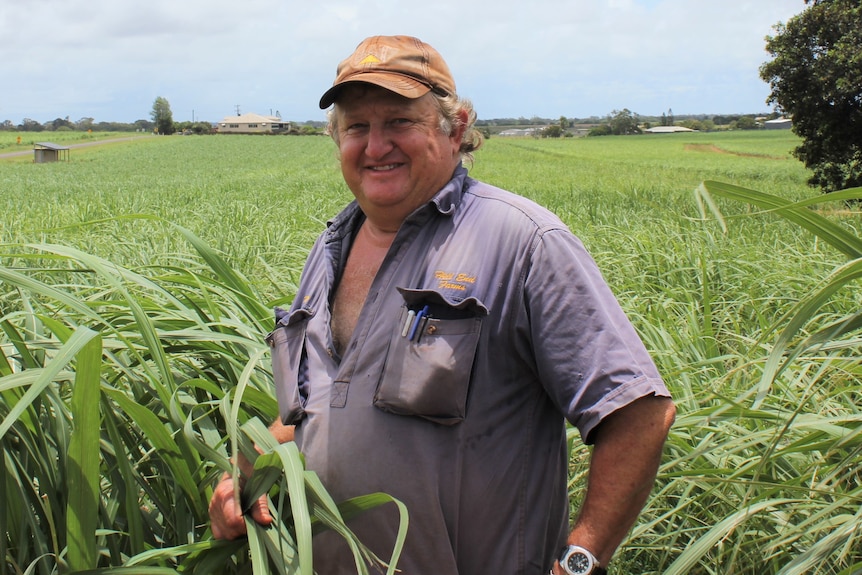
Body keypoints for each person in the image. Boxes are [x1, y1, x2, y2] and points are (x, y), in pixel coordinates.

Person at [209, 35, 675, 575]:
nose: (375, 145)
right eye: (357, 126)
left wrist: (579, 562)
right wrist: (246, 472)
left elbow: (639, 412)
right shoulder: (330, 247)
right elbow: (319, 407)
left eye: (399, 122)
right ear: (337, 138)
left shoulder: (522, 243)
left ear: (455, 128)